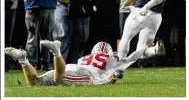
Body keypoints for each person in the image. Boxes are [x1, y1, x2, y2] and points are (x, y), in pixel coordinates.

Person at [5, 39, 156, 86]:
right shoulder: (112, 58)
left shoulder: (84, 57)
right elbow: (132, 58)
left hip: (73, 66)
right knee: (60, 78)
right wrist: (144, 46)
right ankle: (56, 52)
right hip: (88, 75)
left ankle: (23, 59)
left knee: (34, 82)